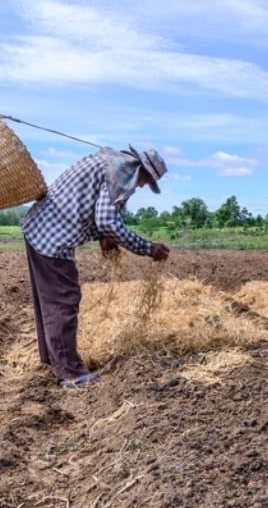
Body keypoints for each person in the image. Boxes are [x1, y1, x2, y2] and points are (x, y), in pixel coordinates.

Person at [22, 144, 170, 388]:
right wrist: (147, 248)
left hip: (40, 230)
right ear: (141, 169)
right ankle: (70, 373)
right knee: (63, 299)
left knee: (48, 302)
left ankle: (53, 361)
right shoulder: (120, 174)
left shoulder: (110, 165)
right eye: (146, 179)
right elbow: (106, 220)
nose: (142, 185)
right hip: (52, 238)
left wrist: (107, 242)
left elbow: (100, 213)